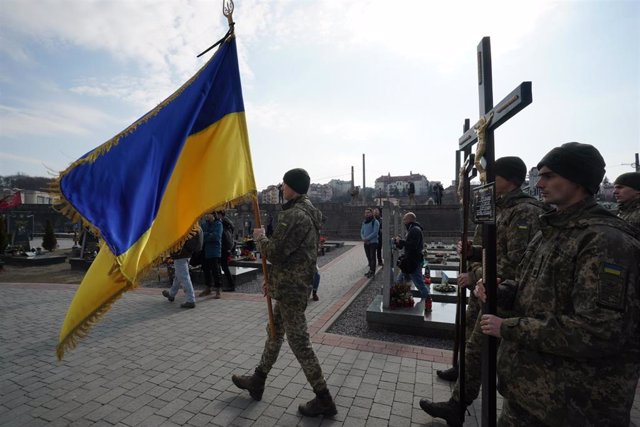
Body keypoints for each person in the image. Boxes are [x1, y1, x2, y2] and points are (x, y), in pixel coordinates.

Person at [474, 143, 640, 426]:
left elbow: (600, 330)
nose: (540, 183)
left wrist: (508, 327)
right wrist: (499, 292)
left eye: (549, 176)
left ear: (576, 179)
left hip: (574, 405)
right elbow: (532, 289)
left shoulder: (606, 241)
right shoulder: (551, 230)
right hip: (529, 394)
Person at [421, 157, 545, 425]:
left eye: (492, 176)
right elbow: (493, 249)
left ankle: (457, 404)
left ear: (510, 180)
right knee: (470, 340)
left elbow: (516, 262)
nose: (484, 181)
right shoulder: (499, 206)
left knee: (477, 348)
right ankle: (463, 380)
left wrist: (475, 273)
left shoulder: (523, 211)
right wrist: (473, 252)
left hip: (500, 293)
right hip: (484, 289)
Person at [231, 168, 337, 417]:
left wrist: (260, 238)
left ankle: (324, 398)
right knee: (275, 332)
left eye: (284, 185)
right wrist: (274, 283)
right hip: (292, 285)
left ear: (293, 187)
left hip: (291, 289)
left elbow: (276, 252)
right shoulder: (307, 211)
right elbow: (293, 256)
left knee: (299, 343)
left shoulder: (294, 216)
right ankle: (258, 380)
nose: (281, 188)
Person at [393, 212, 432, 313]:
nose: (403, 222)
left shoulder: (415, 230)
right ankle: (399, 297)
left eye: (404, 220)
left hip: (413, 261)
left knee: (419, 283)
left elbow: (413, 245)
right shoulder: (412, 229)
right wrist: (399, 243)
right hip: (409, 261)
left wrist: (401, 241)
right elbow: (407, 244)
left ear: (409, 220)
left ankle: (427, 299)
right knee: (399, 280)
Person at [162, 224, 203, 309]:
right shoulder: (192, 223)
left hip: (180, 254)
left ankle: (191, 300)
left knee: (184, 277)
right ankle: (171, 294)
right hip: (186, 254)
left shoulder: (183, 223)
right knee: (178, 276)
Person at [199, 212, 223, 299]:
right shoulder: (204, 224)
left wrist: (206, 235)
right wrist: (209, 234)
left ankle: (218, 289)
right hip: (204, 251)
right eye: (206, 214)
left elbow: (216, 236)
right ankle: (208, 288)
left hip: (214, 251)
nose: (206, 215)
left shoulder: (218, 224)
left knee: (215, 271)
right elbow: (200, 235)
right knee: (206, 271)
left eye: (208, 214)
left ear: (213, 215)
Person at [218, 210, 236, 292]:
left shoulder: (222, 223)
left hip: (224, 248)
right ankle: (227, 284)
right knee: (223, 267)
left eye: (217, 214)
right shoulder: (228, 223)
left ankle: (231, 285)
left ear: (221, 215)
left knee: (224, 267)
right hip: (227, 247)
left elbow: (223, 237)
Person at [360, 207, 380, 278]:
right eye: (366, 213)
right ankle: (370, 270)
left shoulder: (375, 222)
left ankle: (372, 272)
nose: (367, 214)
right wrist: (364, 239)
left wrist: (367, 239)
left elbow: (375, 232)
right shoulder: (364, 222)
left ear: (372, 213)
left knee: (372, 257)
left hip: (373, 243)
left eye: (368, 212)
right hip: (366, 243)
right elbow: (361, 231)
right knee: (368, 257)